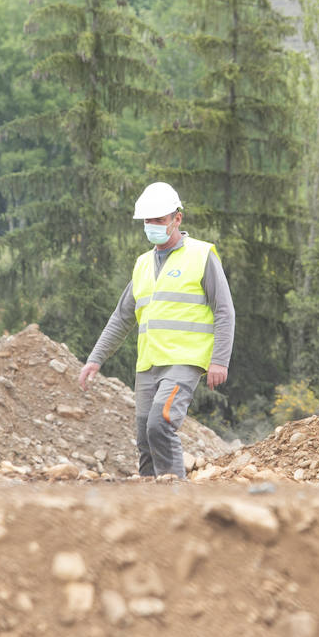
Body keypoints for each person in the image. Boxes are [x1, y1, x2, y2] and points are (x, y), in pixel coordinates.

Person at [78, 183, 234, 479]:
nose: (152, 226)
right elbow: (122, 317)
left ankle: (176, 496)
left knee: (160, 425)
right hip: (148, 364)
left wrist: (220, 360)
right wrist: (95, 359)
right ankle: (148, 503)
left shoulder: (201, 255)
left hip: (184, 361)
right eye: (148, 221)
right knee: (145, 439)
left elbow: (225, 310)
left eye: (159, 220)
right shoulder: (142, 265)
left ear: (177, 218)